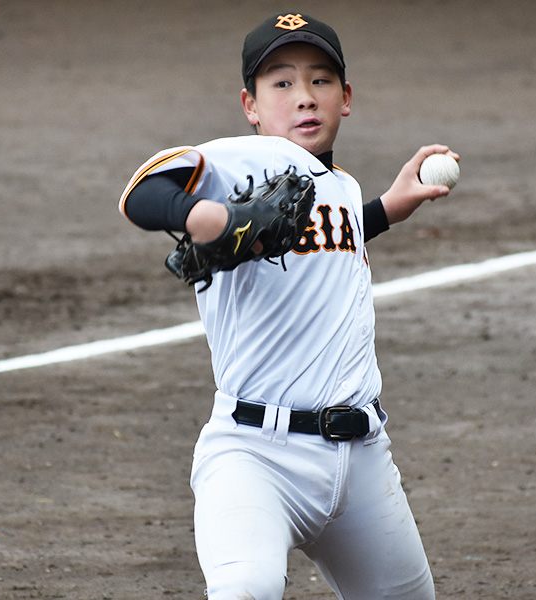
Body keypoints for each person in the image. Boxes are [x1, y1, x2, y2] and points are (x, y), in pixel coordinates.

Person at [118, 12, 458, 600]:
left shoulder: (341, 186)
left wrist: (384, 209)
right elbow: (142, 193)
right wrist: (204, 215)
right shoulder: (244, 162)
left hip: (363, 463)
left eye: (321, 81)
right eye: (281, 83)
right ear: (250, 105)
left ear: (346, 98)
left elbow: (324, 244)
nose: (305, 97)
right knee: (245, 589)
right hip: (256, 457)